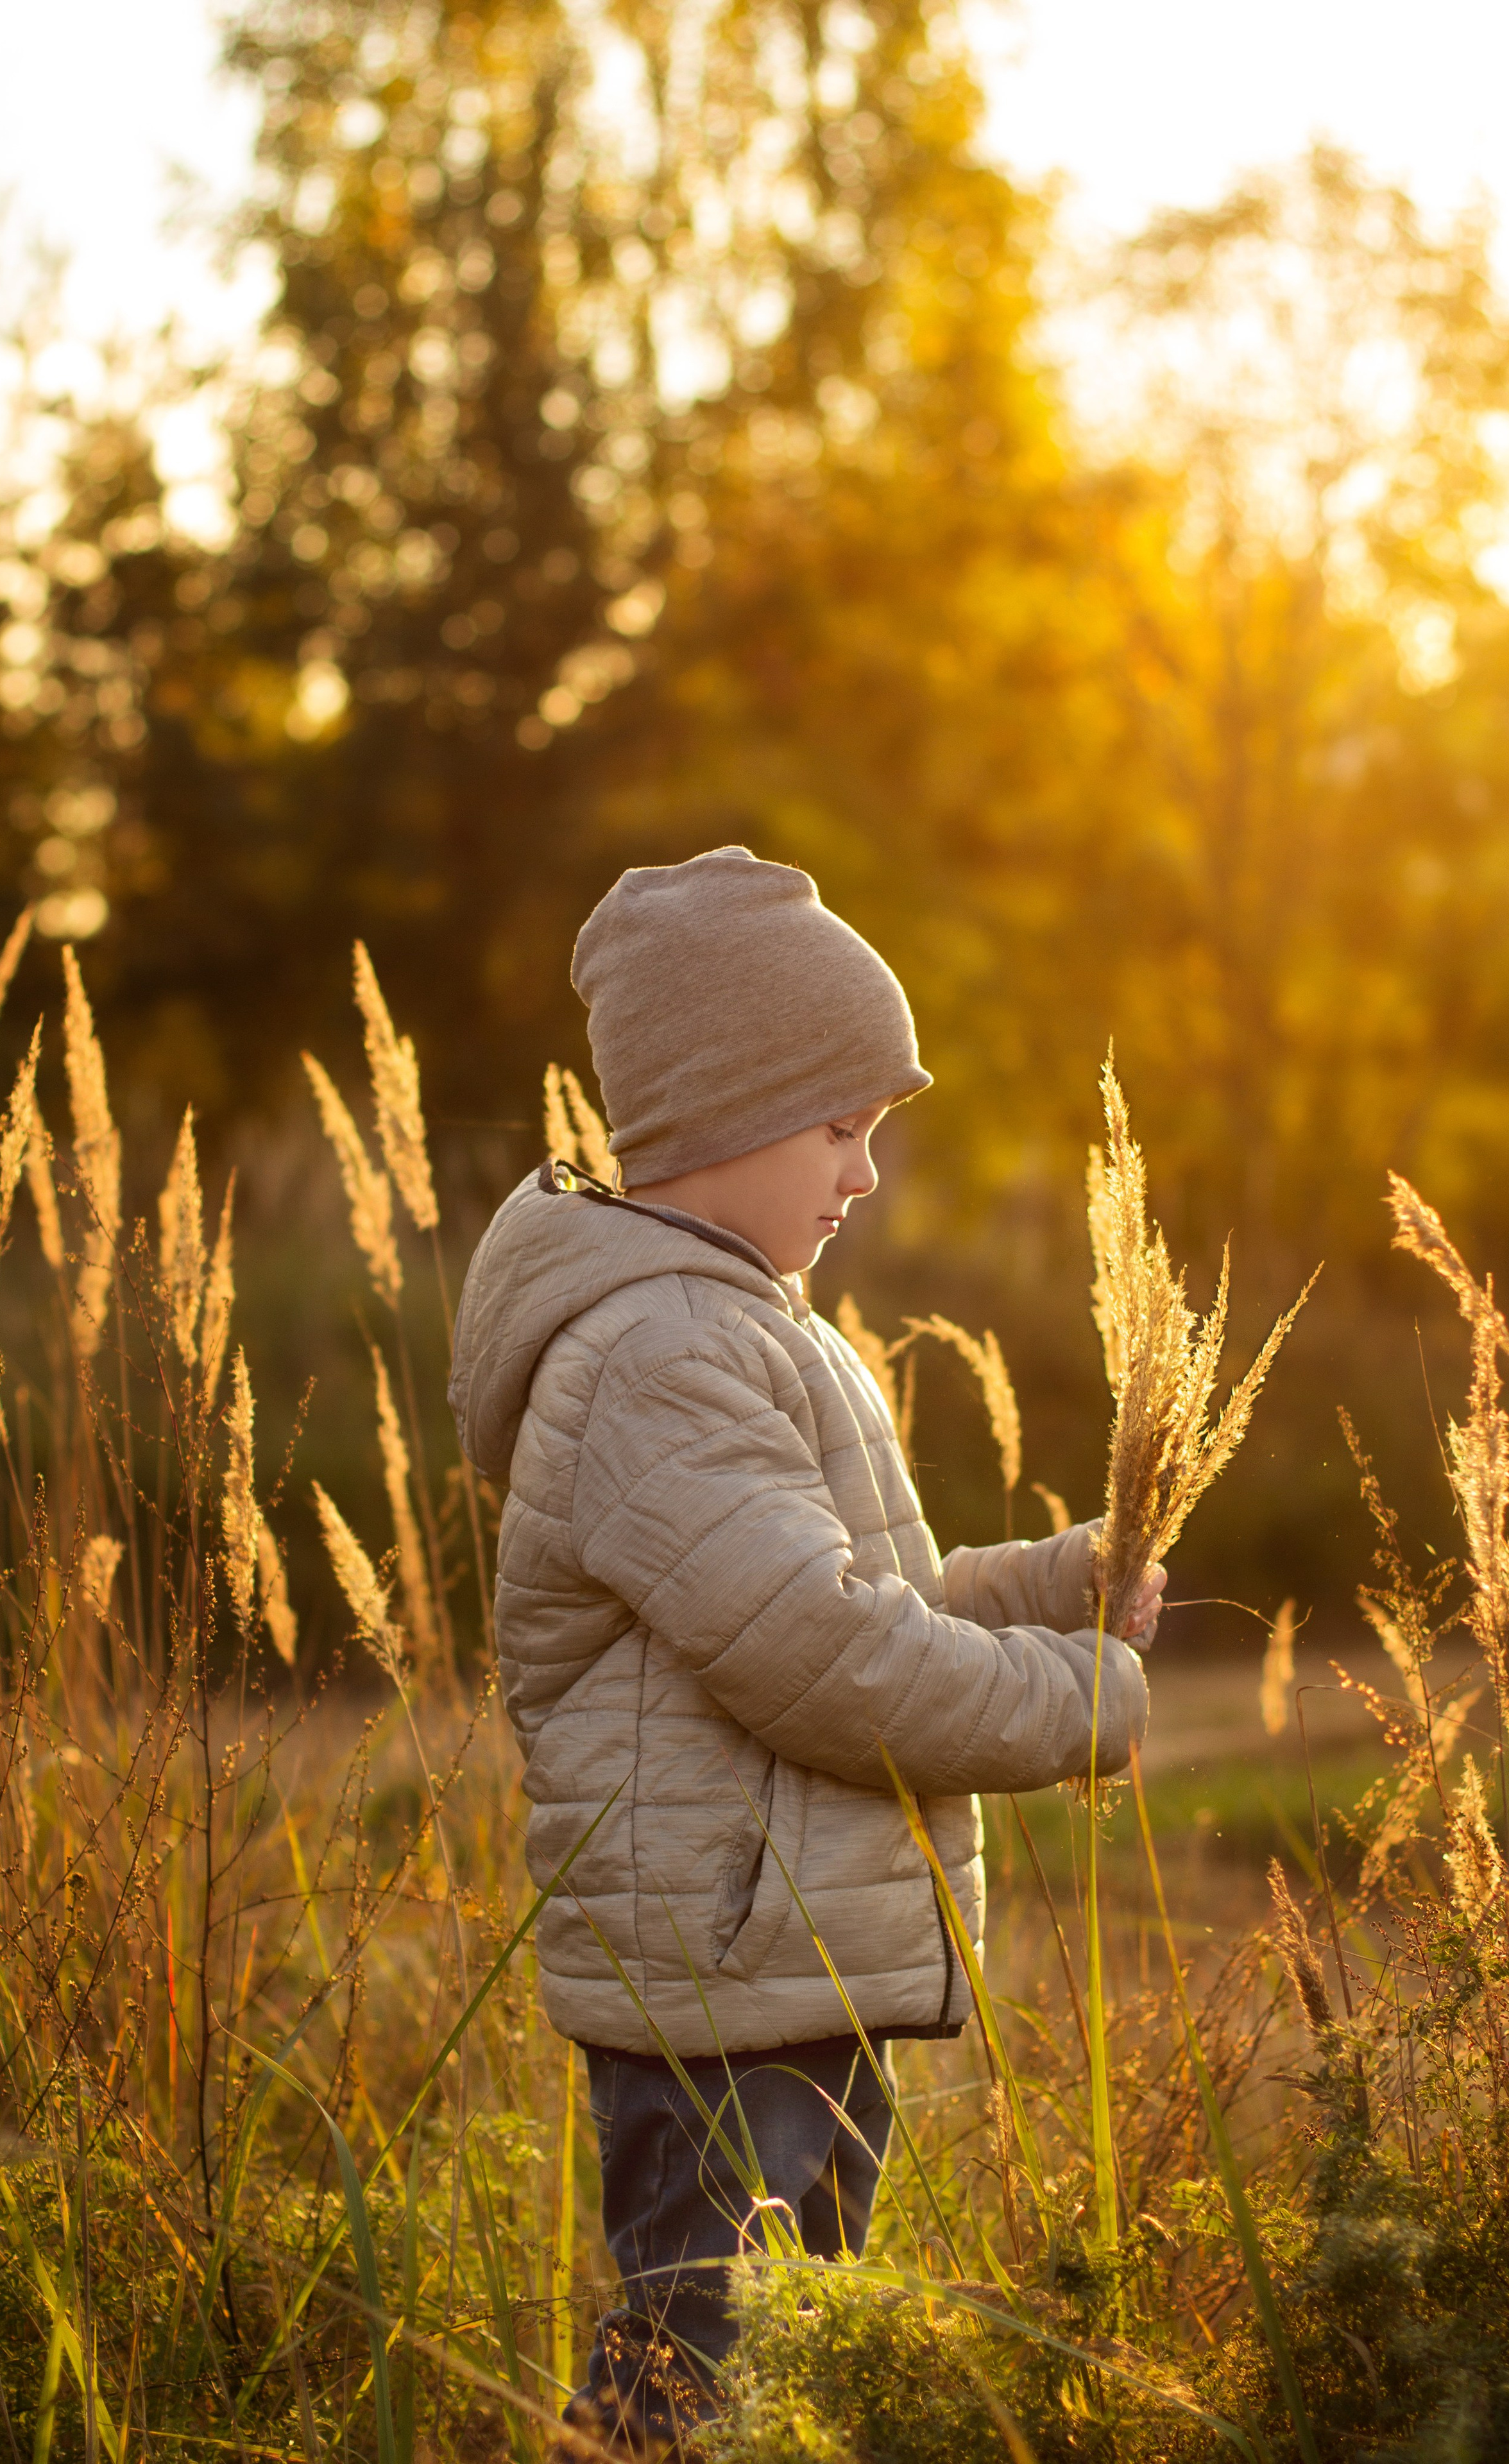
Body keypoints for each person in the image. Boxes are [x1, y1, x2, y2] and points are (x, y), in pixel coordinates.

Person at [448, 846, 1163, 2458]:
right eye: (841, 1129)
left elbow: (860, 1599)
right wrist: (1087, 1704)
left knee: (778, 2381)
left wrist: (1058, 1583)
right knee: (703, 2380)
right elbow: (829, 1663)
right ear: (717, 1118)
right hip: (723, 2000)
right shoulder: (657, 1353)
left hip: (781, 1975)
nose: (865, 1178)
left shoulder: (739, 1326)